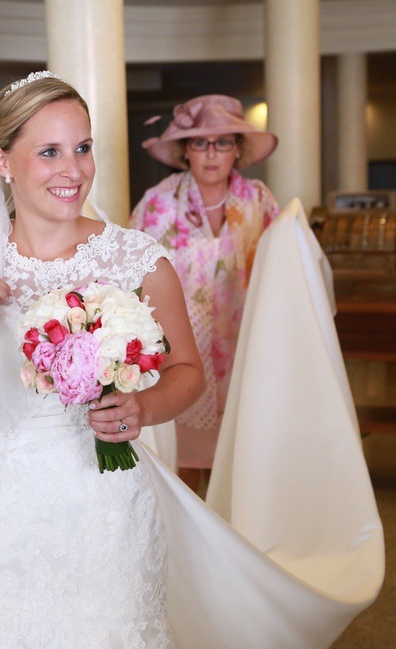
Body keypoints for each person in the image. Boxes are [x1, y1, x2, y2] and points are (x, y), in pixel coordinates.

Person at [0, 72, 206, 646]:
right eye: (49, 152)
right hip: (1, 503)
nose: (74, 170)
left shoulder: (136, 258)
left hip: (105, 499)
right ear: (2, 160)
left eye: (83, 147)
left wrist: (141, 406)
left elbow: (188, 373)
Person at [128, 95, 279, 493]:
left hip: (242, 348)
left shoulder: (259, 201)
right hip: (178, 352)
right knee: (182, 465)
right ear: (185, 151)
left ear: (238, 150)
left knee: (240, 461)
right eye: (200, 143)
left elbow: (284, 277)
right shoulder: (158, 202)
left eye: (223, 142)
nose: (211, 154)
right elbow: (129, 273)